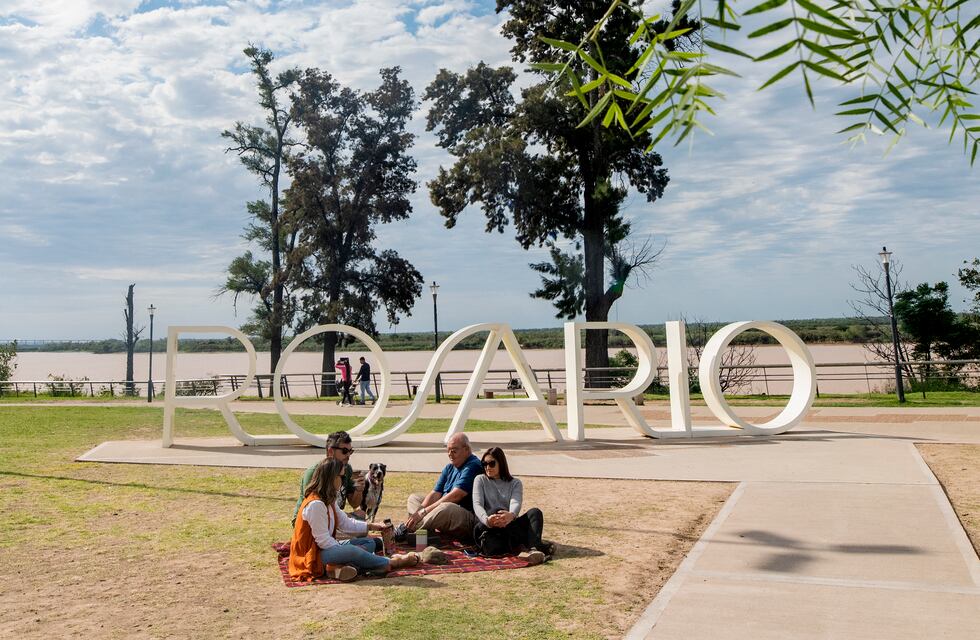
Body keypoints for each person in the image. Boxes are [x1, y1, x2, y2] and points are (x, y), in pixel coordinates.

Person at [289, 459, 420, 582]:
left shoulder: (328, 499)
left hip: (324, 549)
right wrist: (349, 551)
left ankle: (336, 568)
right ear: (331, 478)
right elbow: (323, 542)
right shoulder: (316, 504)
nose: (343, 480)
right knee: (353, 551)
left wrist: (372, 526)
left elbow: (346, 523)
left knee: (369, 542)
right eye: (341, 476)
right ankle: (391, 562)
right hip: (311, 556)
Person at [471, 447, 554, 564]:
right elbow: (477, 504)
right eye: (484, 464)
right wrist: (487, 520)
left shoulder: (515, 483)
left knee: (535, 512)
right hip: (487, 526)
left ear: (501, 463)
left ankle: (534, 549)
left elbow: (516, 502)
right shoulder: (480, 480)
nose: (487, 467)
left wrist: (511, 515)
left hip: (508, 525)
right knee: (496, 509)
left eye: (492, 464)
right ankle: (539, 546)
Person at [399, 433, 483, 542]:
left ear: (466, 449)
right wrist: (419, 511)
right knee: (414, 498)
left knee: (446, 507)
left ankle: (408, 529)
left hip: (466, 518)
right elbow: (435, 494)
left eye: (454, 450)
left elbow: (456, 496)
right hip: (444, 514)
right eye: (448, 450)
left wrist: (424, 512)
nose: (450, 454)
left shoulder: (473, 465)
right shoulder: (449, 467)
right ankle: (423, 531)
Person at [292, 431, 364, 525]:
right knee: (359, 527)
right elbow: (314, 509)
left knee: (361, 515)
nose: (348, 456)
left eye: (350, 451)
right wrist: (347, 518)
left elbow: (354, 504)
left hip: (333, 516)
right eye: (345, 451)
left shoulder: (347, 469)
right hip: (309, 521)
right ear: (330, 451)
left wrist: (359, 489)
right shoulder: (315, 472)